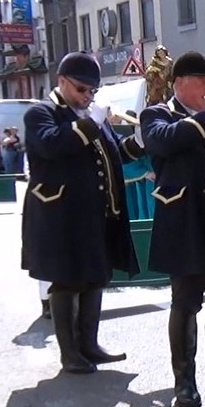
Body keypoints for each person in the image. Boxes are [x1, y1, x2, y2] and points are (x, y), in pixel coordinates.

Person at [21, 52, 143, 373]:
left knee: (94, 278)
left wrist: (141, 141)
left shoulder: (90, 117)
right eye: (81, 89)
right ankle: (69, 352)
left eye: (92, 91)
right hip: (60, 214)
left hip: (96, 212)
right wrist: (92, 122)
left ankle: (89, 344)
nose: (87, 96)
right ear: (62, 82)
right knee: (66, 282)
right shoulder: (41, 113)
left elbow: (116, 154)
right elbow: (52, 145)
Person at [141, 51, 205, 407]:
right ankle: (184, 381)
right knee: (185, 304)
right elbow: (164, 141)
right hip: (184, 225)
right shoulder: (157, 115)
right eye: (201, 82)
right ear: (179, 84)